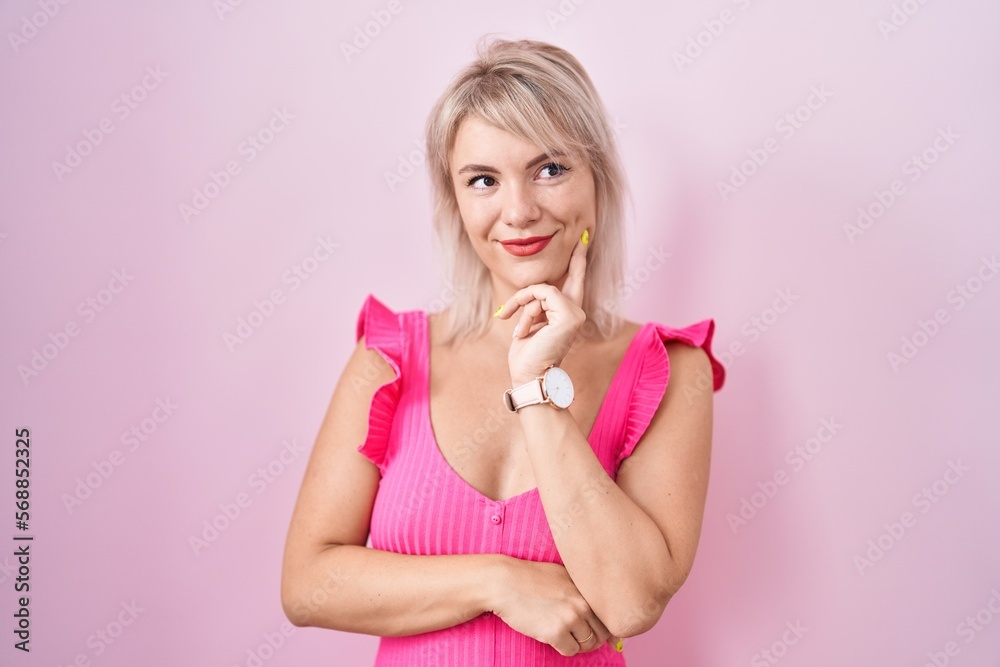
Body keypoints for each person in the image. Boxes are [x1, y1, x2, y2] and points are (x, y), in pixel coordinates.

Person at [280, 36, 726, 666]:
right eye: (483, 180)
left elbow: (630, 603)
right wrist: (497, 583)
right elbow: (306, 587)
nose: (518, 211)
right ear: (456, 202)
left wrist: (536, 384)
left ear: (597, 177)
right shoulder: (390, 358)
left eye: (550, 169)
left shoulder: (670, 370)